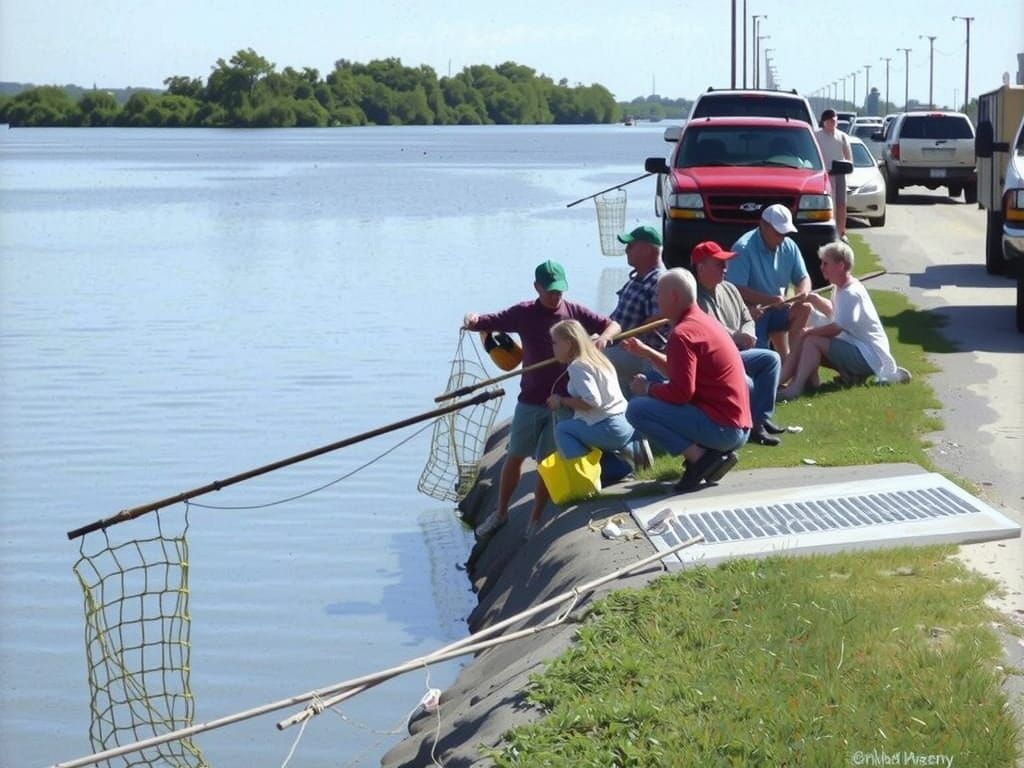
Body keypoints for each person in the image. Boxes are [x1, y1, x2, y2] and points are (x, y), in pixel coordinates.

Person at [463, 261, 621, 540]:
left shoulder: (574, 312)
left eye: (559, 290)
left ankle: (534, 520)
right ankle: (500, 513)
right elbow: (488, 321)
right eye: (550, 291)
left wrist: (604, 338)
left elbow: (613, 324)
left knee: (548, 462)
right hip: (530, 400)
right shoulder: (523, 312)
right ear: (537, 287)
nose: (555, 296)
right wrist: (473, 319)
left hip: (562, 403)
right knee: (515, 456)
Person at [621, 268, 751, 493]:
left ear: (673, 296)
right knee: (655, 396)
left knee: (637, 409)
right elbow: (681, 374)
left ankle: (699, 459)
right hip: (739, 427)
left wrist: (648, 388)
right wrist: (648, 352)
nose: (657, 299)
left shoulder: (682, 334)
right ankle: (710, 455)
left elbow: (681, 393)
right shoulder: (704, 322)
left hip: (725, 430)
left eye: (659, 294)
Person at [777, 241, 911, 400]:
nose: (821, 267)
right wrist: (815, 299)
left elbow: (837, 327)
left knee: (811, 340)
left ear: (840, 266)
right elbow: (837, 314)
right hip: (858, 348)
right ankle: (800, 382)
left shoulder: (850, 293)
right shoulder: (840, 287)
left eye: (826, 263)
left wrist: (808, 331)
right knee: (809, 330)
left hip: (868, 357)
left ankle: (794, 387)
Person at [691, 240, 787, 447]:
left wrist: (748, 334)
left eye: (724, 263)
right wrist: (736, 337)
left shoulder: (730, 289)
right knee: (754, 374)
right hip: (713, 360)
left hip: (736, 353)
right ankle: (753, 425)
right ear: (701, 268)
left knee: (771, 359)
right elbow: (707, 326)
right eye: (719, 264)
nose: (725, 268)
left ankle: (760, 419)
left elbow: (747, 317)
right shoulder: (692, 296)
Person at [546, 319, 636, 502]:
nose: (552, 347)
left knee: (563, 429)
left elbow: (592, 401)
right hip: (626, 423)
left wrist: (561, 400)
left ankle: (586, 481)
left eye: (555, 342)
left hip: (611, 428)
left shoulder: (577, 366)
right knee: (576, 423)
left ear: (568, 344)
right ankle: (619, 467)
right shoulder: (597, 358)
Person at [727, 203, 813, 359]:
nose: (782, 238)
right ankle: (782, 362)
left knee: (804, 308)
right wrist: (769, 300)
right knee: (762, 357)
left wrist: (803, 291)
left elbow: (803, 277)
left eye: (785, 233)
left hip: (778, 308)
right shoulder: (743, 248)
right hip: (753, 313)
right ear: (763, 225)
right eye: (778, 233)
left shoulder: (789, 245)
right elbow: (736, 289)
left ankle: (793, 361)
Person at [604, 224, 668, 395]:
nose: (626, 250)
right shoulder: (636, 279)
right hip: (621, 347)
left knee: (587, 360)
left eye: (630, 245)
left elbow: (662, 322)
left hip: (644, 355)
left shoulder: (661, 281)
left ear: (646, 250)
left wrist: (623, 336)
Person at [816, 108, 853, 239]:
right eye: (830, 120)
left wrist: (848, 167)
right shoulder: (817, 135)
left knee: (841, 204)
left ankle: (841, 232)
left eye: (834, 120)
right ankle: (829, 232)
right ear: (824, 122)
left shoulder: (842, 136)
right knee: (829, 204)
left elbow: (849, 157)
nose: (833, 123)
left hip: (840, 174)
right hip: (824, 175)